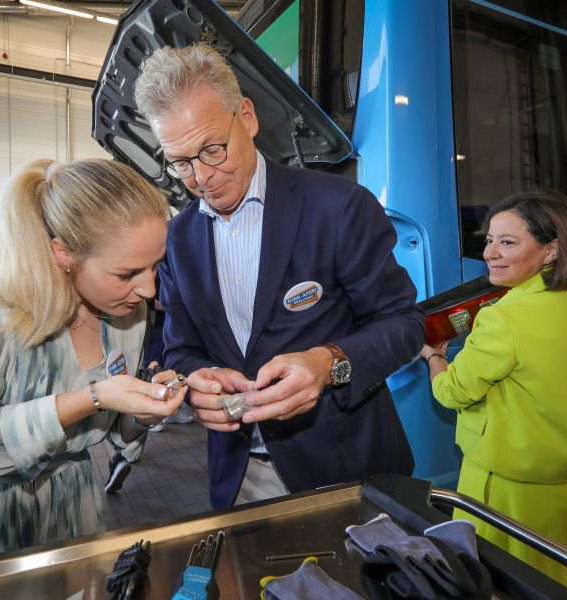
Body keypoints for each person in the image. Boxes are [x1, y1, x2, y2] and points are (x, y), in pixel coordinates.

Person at [135, 44, 426, 509]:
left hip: (347, 472)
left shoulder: (339, 207)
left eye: (212, 149)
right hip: (239, 478)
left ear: (247, 117)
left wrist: (330, 363)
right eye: (181, 162)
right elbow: (180, 348)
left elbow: (405, 325)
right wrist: (197, 383)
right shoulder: (177, 239)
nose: (202, 177)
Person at [0, 158, 186, 575]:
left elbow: (113, 426)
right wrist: (91, 397)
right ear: (63, 252)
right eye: (127, 272)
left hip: (69, 508)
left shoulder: (128, 309)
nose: (149, 289)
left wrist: (144, 410)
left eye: (156, 267)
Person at [419, 190, 567, 592]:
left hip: (504, 484)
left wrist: (433, 356)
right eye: (488, 240)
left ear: (551, 250)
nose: (490, 253)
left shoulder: (503, 318)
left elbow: (450, 393)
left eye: (507, 242)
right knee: (558, 575)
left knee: (499, 580)